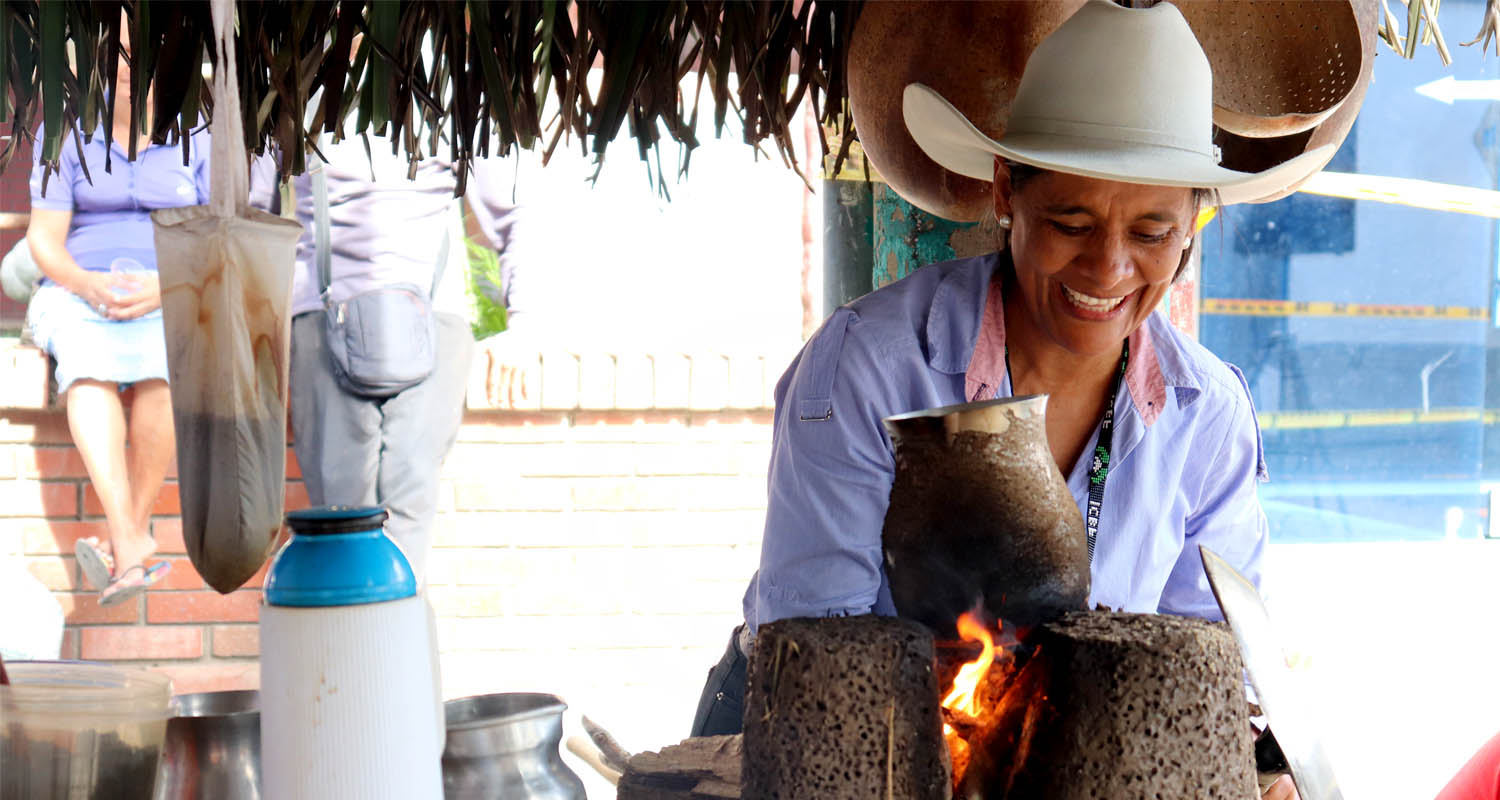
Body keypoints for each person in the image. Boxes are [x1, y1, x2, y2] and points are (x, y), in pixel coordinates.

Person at [692, 2, 1329, 795]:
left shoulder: (1206, 414)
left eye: (1152, 233)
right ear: (1006, 191)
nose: (1107, 269)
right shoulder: (870, 369)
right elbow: (822, 656)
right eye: (1070, 221)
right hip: (858, 759)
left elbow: (1202, 659)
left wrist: (1251, 767)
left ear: (1192, 227)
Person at [249, 137, 527, 583]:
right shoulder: (295, 87)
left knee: (409, 516)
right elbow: (249, 216)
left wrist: (523, 322)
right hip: (322, 321)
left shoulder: (454, 83)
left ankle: (395, 641)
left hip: (433, 321)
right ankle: (350, 644)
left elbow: (511, 208)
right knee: (341, 522)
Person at [26, 40, 203, 605]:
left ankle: (125, 541)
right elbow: (44, 240)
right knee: (86, 370)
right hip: (79, 290)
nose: (133, 70)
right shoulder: (65, 132)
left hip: (168, 291)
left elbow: (219, 238)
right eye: (120, 55)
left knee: (165, 372)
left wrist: (168, 285)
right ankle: (131, 541)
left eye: (146, 53)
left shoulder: (199, 135)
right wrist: (84, 283)